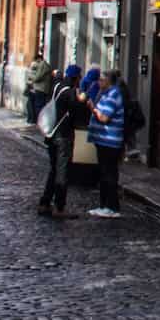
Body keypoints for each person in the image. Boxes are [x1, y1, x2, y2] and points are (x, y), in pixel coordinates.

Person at [36, 66, 91, 217]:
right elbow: (78, 114)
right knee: (62, 171)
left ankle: (45, 203)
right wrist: (83, 101)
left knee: (54, 170)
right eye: (79, 77)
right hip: (63, 136)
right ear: (76, 78)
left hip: (51, 135)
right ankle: (59, 207)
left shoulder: (57, 87)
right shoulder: (70, 93)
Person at [86, 70, 128, 217]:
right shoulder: (106, 93)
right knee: (104, 173)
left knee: (109, 174)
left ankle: (111, 207)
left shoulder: (113, 94)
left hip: (109, 141)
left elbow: (104, 118)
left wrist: (93, 108)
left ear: (108, 81)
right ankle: (104, 205)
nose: (99, 82)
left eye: (101, 80)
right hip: (103, 140)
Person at [25, 53, 54, 125]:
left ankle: (39, 121)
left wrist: (31, 79)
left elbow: (38, 77)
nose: (36, 63)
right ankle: (38, 120)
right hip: (41, 88)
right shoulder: (44, 65)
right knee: (39, 105)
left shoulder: (43, 65)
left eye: (37, 61)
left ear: (39, 59)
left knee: (39, 105)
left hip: (41, 88)